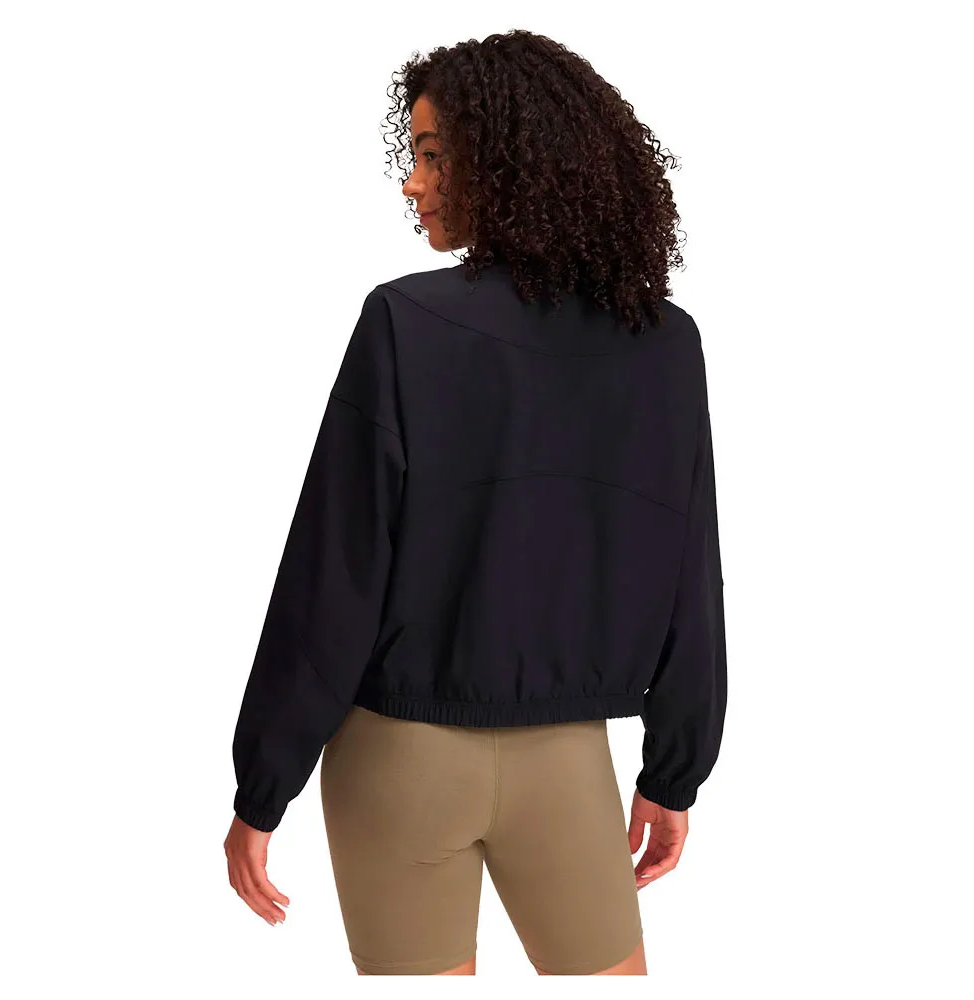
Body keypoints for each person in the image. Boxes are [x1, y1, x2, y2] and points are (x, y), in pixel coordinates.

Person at [223, 29, 727, 977]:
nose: (411, 182)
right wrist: (676, 769)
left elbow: (333, 579)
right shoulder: (663, 342)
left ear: (505, 162)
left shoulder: (405, 322)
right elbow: (691, 575)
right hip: (570, 760)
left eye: (433, 155)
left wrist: (262, 788)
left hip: (399, 758)